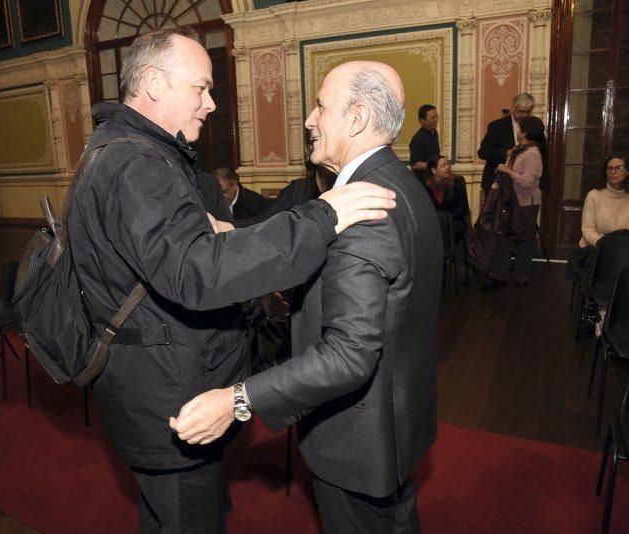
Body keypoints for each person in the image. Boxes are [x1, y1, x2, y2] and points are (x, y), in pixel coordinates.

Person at [67, 28, 396, 533]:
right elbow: (197, 273)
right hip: (166, 394)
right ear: (154, 84)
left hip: (152, 384)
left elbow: (179, 254)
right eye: (200, 88)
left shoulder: (121, 148)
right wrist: (320, 217)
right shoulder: (137, 163)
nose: (211, 103)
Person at [172, 60, 442, 533]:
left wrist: (236, 399)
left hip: (361, 440)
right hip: (395, 422)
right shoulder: (399, 184)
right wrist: (234, 235)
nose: (310, 120)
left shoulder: (364, 211)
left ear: (356, 118)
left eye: (320, 106)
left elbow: (348, 356)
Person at [565, 155, 629, 280]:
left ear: (627, 171)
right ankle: (605, 296)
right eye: (609, 168)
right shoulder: (594, 195)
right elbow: (588, 230)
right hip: (598, 247)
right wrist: (607, 245)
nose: (613, 172)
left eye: (618, 168)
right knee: (612, 263)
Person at [483, 115, 546, 290]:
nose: (517, 132)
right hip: (512, 200)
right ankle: (500, 275)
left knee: (523, 239)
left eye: (520, 129)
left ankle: (522, 276)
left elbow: (527, 182)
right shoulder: (519, 150)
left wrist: (506, 171)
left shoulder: (532, 153)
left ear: (525, 133)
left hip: (526, 203)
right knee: (505, 237)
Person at [477, 93, 535, 200]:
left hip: (523, 187)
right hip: (498, 183)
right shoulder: (497, 126)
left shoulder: (534, 128)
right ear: (513, 108)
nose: (524, 116)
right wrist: (507, 152)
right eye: (521, 111)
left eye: (528, 112)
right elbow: (483, 152)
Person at [425, 154, 471, 278]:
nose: (448, 168)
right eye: (443, 165)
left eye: (448, 165)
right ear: (434, 170)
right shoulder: (426, 186)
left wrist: (445, 219)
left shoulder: (457, 183)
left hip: (454, 221)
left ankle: (443, 266)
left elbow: (463, 209)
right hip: (434, 224)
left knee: (443, 231)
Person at [408, 104, 440, 185]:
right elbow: (415, 165)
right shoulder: (418, 139)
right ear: (423, 120)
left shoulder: (434, 133)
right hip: (423, 182)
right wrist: (434, 166)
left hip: (433, 179)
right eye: (433, 118)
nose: (436, 119)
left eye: (436, 116)